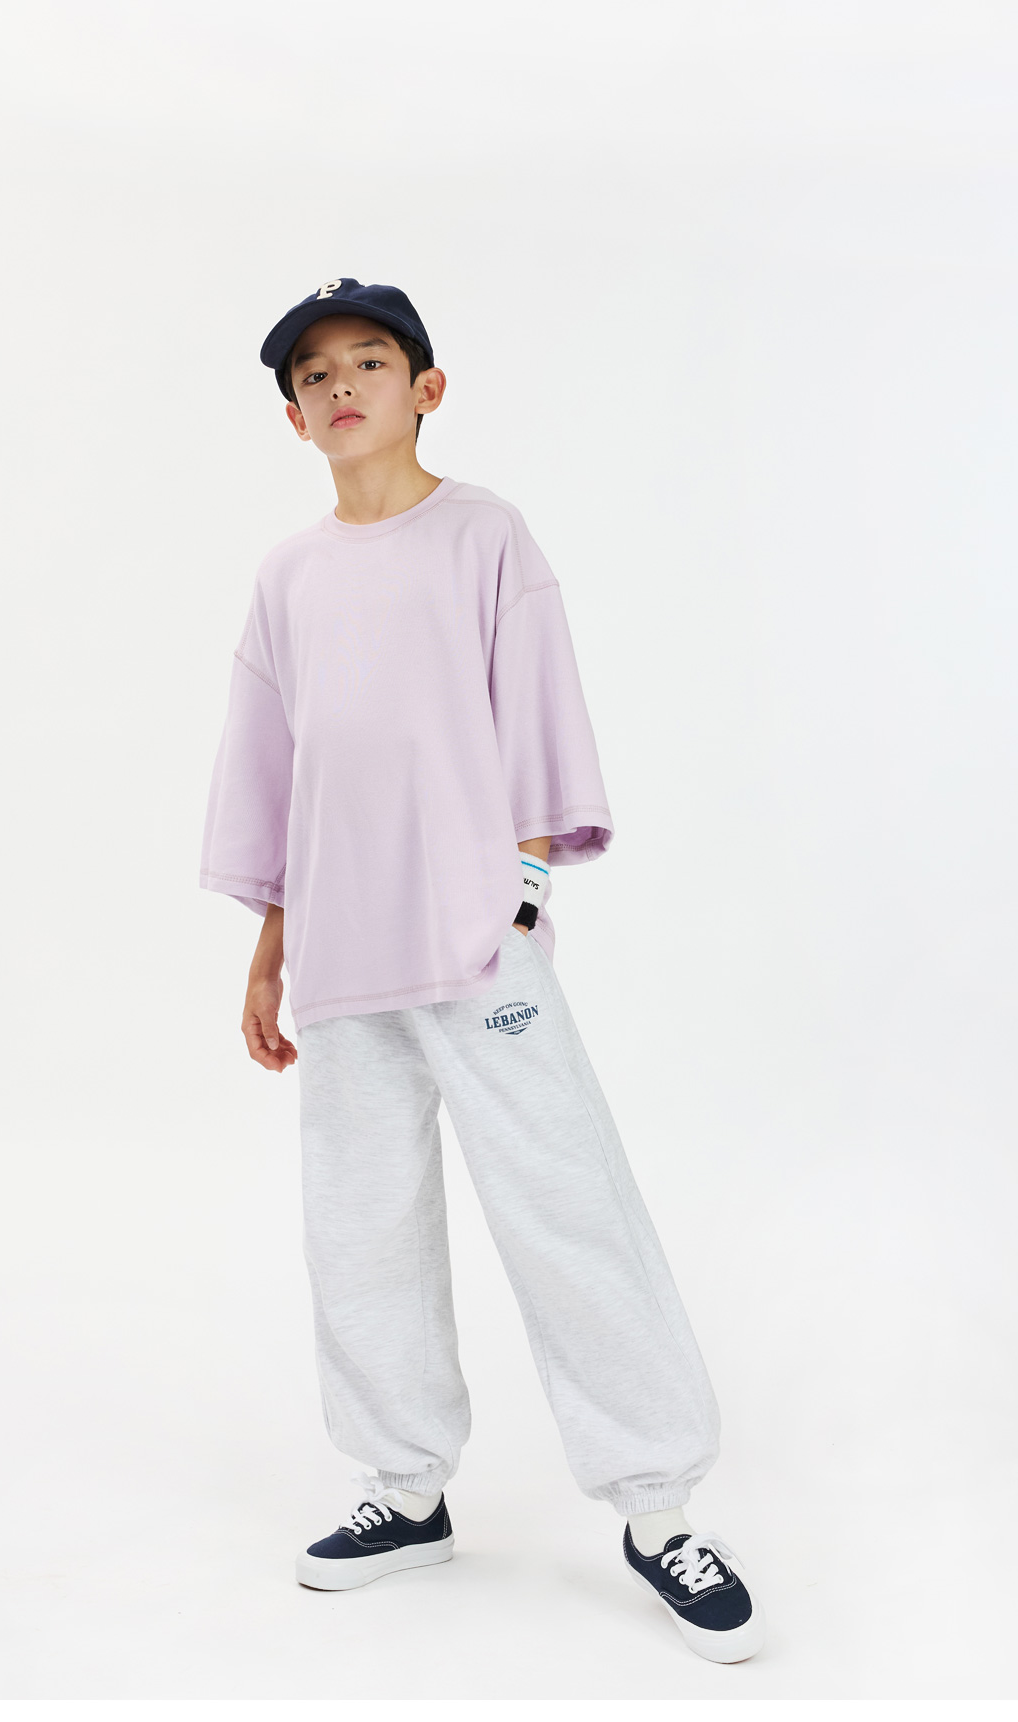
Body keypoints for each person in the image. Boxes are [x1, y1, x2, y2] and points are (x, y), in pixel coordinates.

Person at [199, 278, 764, 1663]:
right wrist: (270, 950)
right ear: (293, 416)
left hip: (472, 938)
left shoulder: (484, 537)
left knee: (566, 1204)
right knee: (361, 1219)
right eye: (315, 374)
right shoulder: (287, 577)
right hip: (341, 951)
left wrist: (518, 893)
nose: (343, 385)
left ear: (426, 389)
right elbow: (279, 774)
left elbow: (539, 717)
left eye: (369, 361)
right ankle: (406, 1488)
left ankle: (657, 1503)